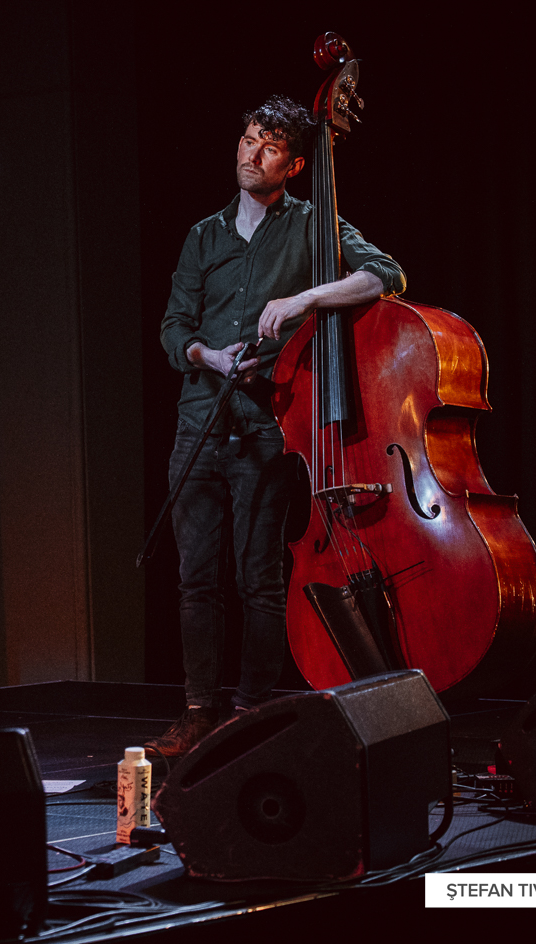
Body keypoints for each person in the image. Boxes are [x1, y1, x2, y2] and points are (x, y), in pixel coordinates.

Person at [148, 95, 405, 758]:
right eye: (248, 139)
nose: (251, 154)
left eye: (269, 147)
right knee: (196, 579)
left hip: (270, 427)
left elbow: (385, 275)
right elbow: (173, 329)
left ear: (293, 164)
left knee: (258, 579)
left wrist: (305, 298)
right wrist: (207, 355)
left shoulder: (313, 225)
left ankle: (250, 713)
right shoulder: (203, 236)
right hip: (200, 421)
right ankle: (199, 712)